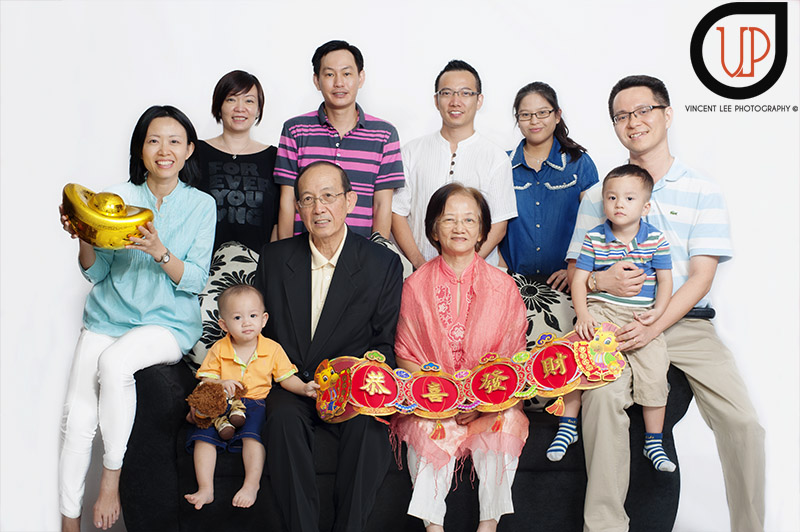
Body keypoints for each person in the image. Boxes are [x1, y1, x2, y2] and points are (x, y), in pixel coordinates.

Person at [566, 75, 765, 532]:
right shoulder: (600, 195)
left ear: (667, 114)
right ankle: (605, 526)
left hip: (686, 324)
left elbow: (701, 276)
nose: (633, 122)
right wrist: (602, 280)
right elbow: (583, 273)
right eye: (621, 115)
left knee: (744, 423)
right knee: (601, 399)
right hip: (613, 322)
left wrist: (655, 326)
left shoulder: (701, 189)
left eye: (643, 111)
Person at [58, 106, 215, 531]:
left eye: (174, 141)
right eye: (153, 140)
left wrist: (159, 251)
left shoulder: (202, 206)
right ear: (141, 149)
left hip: (166, 324)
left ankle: (111, 480)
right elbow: (97, 272)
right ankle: (68, 524)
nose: (164, 150)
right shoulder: (114, 197)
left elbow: (196, 280)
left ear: (189, 150)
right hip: (107, 317)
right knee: (77, 416)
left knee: (113, 364)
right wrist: (84, 238)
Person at [254, 161, 403, 531]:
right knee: (284, 421)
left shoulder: (382, 264)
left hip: (351, 386)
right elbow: (260, 335)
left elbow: (385, 343)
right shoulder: (274, 259)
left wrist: (348, 379)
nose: (319, 208)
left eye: (328, 196)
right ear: (298, 208)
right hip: (293, 381)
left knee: (370, 430)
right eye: (308, 199)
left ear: (350, 201)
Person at [391, 183, 529, 532]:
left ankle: (488, 526)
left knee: (505, 421)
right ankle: (433, 528)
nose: (459, 227)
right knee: (425, 427)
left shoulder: (504, 286)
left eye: (469, 220)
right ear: (434, 228)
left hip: (490, 398)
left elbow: (515, 358)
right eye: (449, 219)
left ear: (483, 230)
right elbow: (405, 353)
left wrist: (484, 401)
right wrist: (440, 395)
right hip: (434, 398)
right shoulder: (414, 285)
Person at [549, 165, 675, 474]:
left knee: (656, 368)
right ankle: (567, 425)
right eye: (612, 197)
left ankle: (654, 441)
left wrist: (658, 312)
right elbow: (578, 280)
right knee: (577, 356)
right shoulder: (594, 238)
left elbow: (666, 280)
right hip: (601, 311)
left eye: (629, 198)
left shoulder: (655, 240)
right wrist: (583, 315)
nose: (619, 204)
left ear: (645, 206)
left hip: (639, 316)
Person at [184, 284, 317, 510]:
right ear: (224, 325)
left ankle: (251, 484)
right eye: (238, 317)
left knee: (253, 437)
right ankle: (205, 488)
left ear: (264, 319)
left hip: (254, 403)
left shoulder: (272, 349)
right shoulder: (219, 349)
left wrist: (305, 388)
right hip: (221, 404)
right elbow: (205, 380)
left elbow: (285, 378)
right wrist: (221, 382)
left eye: (253, 315)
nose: (247, 322)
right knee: (202, 437)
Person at [274, 39, 404, 240]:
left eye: (347, 73)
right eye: (329, 74)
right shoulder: (295, 130)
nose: (339, 83)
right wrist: (283, 256)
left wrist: (377, 258)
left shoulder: (385, 134)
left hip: (361, 254)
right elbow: (288, 200)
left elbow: (381, 206)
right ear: (316, 81)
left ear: (360, 78)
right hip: (303, 252)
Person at [392, 60, 516, 268]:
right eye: (447, 93)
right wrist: (420, 265)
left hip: (478, 274)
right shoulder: (411, 152)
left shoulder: (496, 157)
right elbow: (397, 213)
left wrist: (466, 267)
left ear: (479, 100)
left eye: (466, 93)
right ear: (436, 100)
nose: (455, 101)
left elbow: (499, 225)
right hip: (420, 271)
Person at [498, 81, 598, 288]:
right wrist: (501, 272)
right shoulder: (501, 165)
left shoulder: (579, 163)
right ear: (518, 120)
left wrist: (575, 269)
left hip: (567, 284)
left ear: (557, 115)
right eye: (525, 115)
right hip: (511, 283)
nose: (534, 121)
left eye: (542, 113)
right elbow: (489, 224)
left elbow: (596, 225)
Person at [194, 70, 280, 252]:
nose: (240, 108)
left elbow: (277, 223)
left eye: (249, 100)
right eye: (231, 99)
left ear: (258, 109)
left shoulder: (274, 157)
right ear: (219, 106)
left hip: (256, 271)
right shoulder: (197, 152)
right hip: (202, 267)